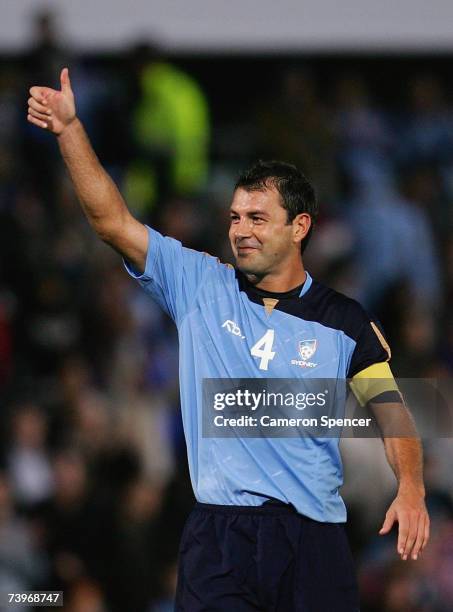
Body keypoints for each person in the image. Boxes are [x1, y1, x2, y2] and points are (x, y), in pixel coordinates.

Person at [27, 69, 430, 612]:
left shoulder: (345, 320)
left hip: (312, 537)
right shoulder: (198, 283)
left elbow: (391, 410)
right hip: (220, 537)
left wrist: (410, 486)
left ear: (300, 227)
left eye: (258, 218)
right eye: (235, 217)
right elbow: (112, 222)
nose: (240, 229)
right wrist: (70, 130)